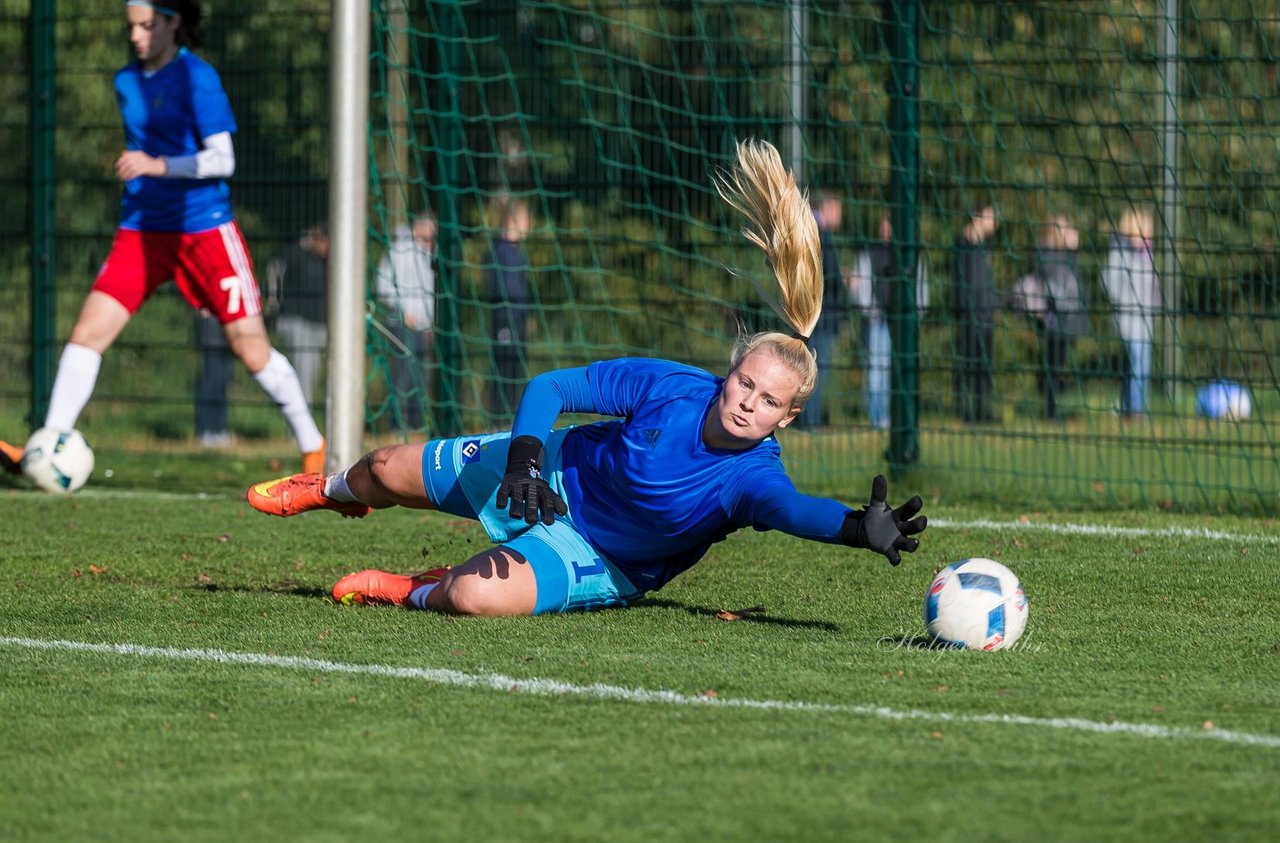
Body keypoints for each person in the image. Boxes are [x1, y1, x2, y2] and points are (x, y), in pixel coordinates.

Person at [244, 140, 927, 618]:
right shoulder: (671, 385)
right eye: (744, 383)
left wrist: (850, 528)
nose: (747, 403)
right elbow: (552, 390)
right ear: (728, 372)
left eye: (768, 400)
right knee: (386, 467)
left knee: (471, 599)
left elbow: (790, 511)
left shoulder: (753, 478)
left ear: (786, 418)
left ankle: (413, 588)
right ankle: (332, 491)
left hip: (598, 554)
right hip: (549, 474)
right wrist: (527, 460)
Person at [0, 0, 326, 475]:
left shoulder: (198, 78)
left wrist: (158, 166)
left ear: (173, 23)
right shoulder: (125, 81)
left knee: (249, 346)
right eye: (131, 26)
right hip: (144, 229)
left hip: (205, 229)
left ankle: (313, 448)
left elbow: (223, 160)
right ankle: (46, 447)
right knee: (87, 335)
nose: (136, 36)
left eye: (147, 25)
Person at [848, 214, 929, 430]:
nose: (886, 230)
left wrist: (916, 314)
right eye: (884, 224)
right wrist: (869, 309)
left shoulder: (909, 254)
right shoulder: (870, 253)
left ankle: (899, 417)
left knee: (900, 370)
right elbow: (860, 285)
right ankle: (878, 418)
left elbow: (920, 287)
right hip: (877, 321)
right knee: (876, 369)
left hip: (902, 322)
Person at [1008, 216, 1087, 420]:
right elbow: (1055, 280)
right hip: (1053, 320)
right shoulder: (1048, 255)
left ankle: (1052, 409)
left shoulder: (1060, 256)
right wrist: (1070, 250)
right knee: (1052, 366)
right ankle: (1051, 411)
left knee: (1057, 365)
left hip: (1064, 320)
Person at [374, 212, 436, 431]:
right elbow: (383, 287)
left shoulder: (427, 252)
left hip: (422, 326)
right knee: (402, 377)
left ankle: (417, 426)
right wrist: (404, 311)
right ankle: (396, 426)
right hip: (401, 325)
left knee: (420, 378)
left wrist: (428, 322)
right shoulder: (399, 249)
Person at [1100, 206, 1161, 420]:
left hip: (1145, 319)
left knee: (1139, 365)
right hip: (1128, 318)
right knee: (1137, 364)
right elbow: (1109, 282)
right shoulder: (1120, 251)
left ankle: (1130, 406)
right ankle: (1135, 411)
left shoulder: (1147, 254)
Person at [794, 190, 846, 429]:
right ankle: (808, 421)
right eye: (838, 209)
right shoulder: (818, 234)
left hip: (811, 313)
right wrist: (843, 279)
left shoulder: (808, 231)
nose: (841, 215)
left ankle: (804, 419)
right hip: (820, 316)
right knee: (814, 369)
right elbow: (829, 276)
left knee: (805, 368)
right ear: (828, 208)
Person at [269, 223, 329, 405]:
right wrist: (273, 309)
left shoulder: (326, 261)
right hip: (297, 321)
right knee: (303, 373)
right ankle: (300, 425)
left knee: (312, 375)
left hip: (319, 323)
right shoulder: (292, 254)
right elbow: (274, 278)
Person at [951, 203, 999, 423]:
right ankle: (966, 410)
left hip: (986, 313)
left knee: (983, 365)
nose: (994, 221)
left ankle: (983, 410)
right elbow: (962, 283)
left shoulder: (984, 247)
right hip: (971, 314)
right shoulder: (964, 244)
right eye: (990, 216)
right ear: (978, 217)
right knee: (968, 363)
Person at [486, 198, 532, 422]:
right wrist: (507, 318)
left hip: (517, 321)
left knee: (515, 371)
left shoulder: (516, 251)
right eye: (526, 219)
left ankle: (510, 418)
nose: (529, 224)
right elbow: (501, 289)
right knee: (503, 371)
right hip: (505, 322)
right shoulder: (500, 250)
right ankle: (499, 420)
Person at [194, 311, 234, 447]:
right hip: (212, 332)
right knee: (211, 381)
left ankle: (220, 429)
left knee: (222, 383)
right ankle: (207, 430)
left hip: (226, 330)